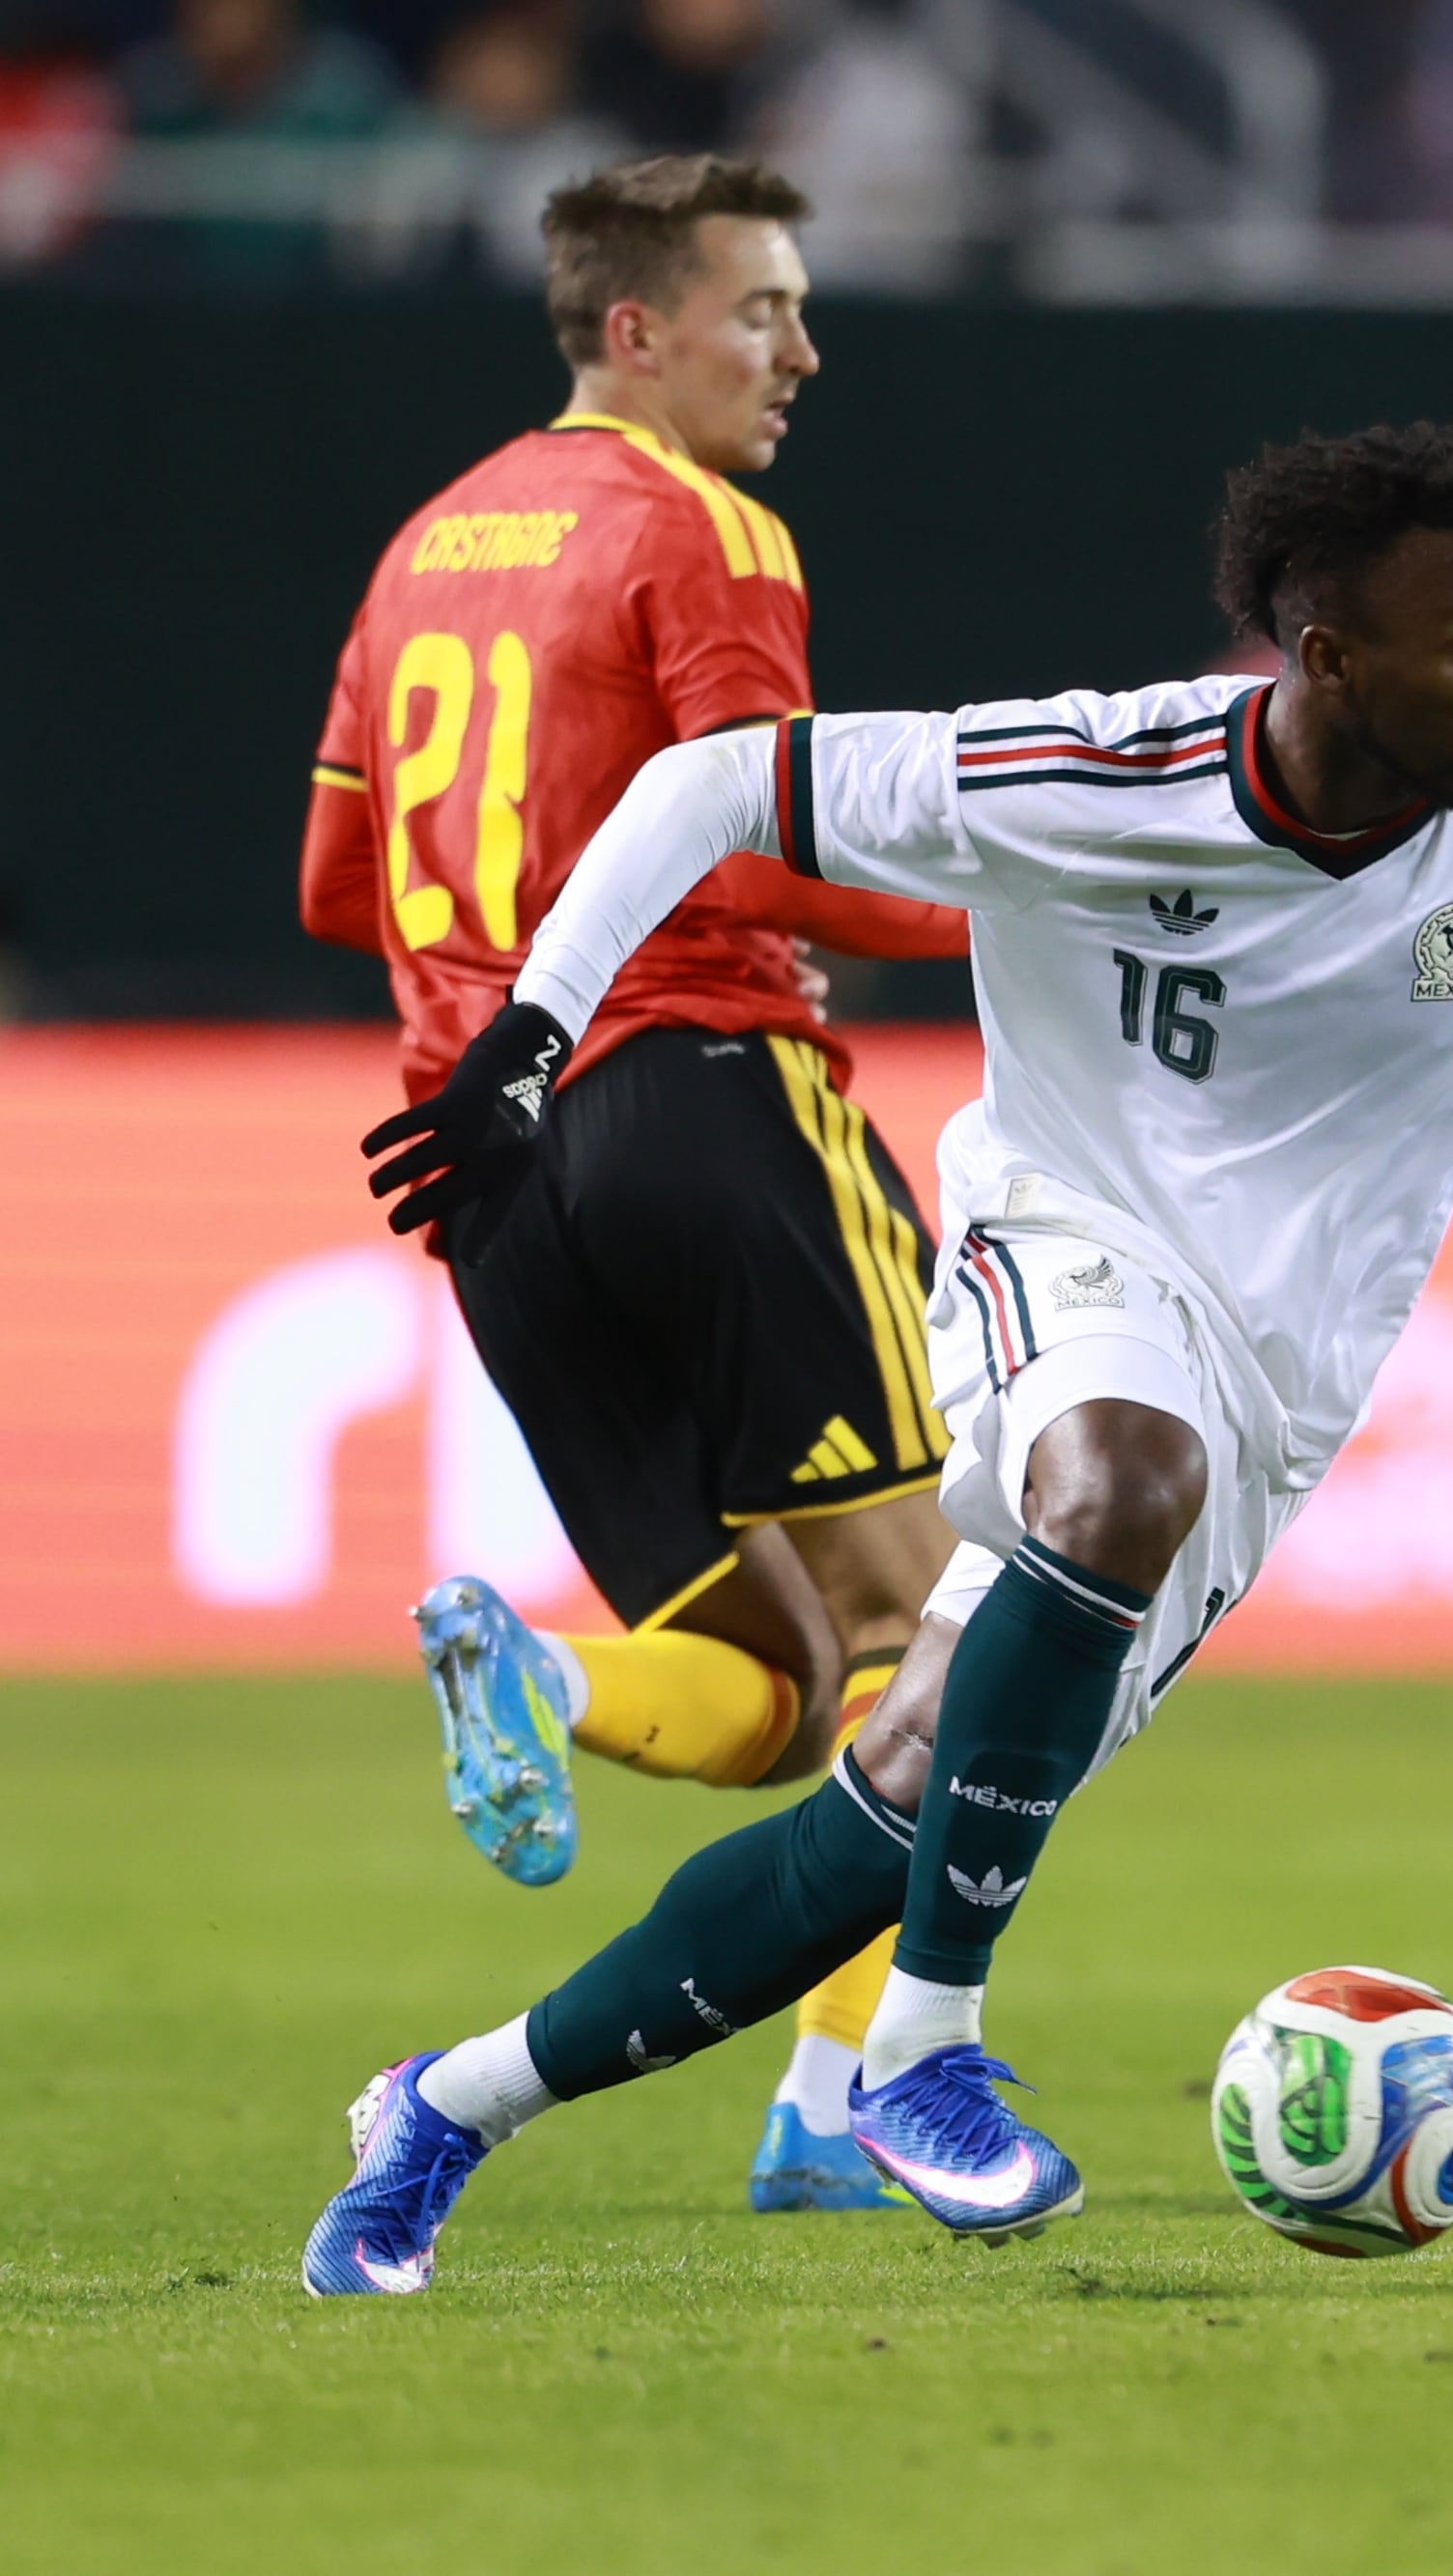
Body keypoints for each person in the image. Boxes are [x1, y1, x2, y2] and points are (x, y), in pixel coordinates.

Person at [301, 423, 1453, 2292]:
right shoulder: (1090, 769)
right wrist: (535, 1037)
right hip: (1066, 1248)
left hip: (1288, 1378)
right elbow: (709, 785)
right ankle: (923, 2055)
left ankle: (446, 2109)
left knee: (895, 1806)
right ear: (1325, 659)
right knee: (1118, 1472)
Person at [300, 153, 971, 2214]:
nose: (801, 348)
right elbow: (751, 835)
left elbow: (335, 884)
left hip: (488, 1182)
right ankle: (839, 2104)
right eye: (760, 307)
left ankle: (549, 1675)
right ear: (634, 329)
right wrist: (1002, 907)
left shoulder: (422, 548)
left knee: (775, 1690)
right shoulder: (699, 525)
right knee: (941, 1619)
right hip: (701, 1090)